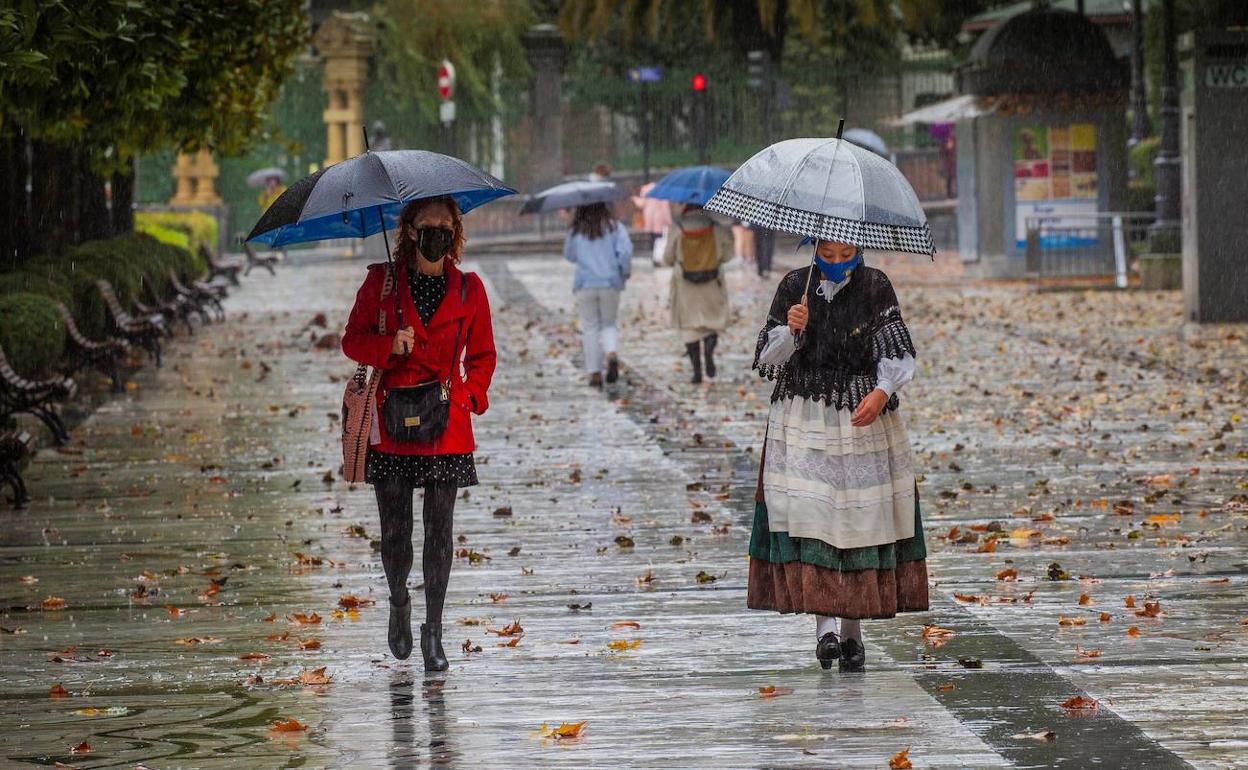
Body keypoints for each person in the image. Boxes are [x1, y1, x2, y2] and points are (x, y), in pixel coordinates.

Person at [748, 239, 927, 672]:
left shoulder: (875, 286)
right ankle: (823, 629)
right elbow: (766, 357)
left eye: (842, 254)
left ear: (857, 249)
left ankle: (852, 633)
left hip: (860, 416)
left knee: (857, 521)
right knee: (811, 516)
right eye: (825, 255)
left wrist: (883, 391)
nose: (833, 262)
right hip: (802, 415)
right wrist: (791, 330)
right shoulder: (796, 285)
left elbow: (896, 351)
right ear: (814, 250)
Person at [341, 196, 497, 671]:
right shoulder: (380, 283)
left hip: (446, 424)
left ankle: (434, 629)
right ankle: (398, 601)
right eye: (427, 226)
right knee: (395, 534)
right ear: (409, 230)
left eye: (445, 226)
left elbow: (484, 355)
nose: (437, 235)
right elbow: (352, 340)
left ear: (455, 232)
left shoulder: (470, 289)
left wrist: (471, 395)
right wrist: (390, 344)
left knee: (440, 532)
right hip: (391, 424)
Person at [661, 204, 733, 384]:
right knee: (711, 321)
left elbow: (667, 258)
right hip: (711, 282)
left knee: (689, 326)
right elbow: (728, 256)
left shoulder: (677, 227)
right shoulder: (716, 227)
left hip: (686, 285)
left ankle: (696, 371)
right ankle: (709, 349)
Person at [563, 202, 633, 387]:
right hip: (610, 282)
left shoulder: (577, 230)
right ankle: (611, 351)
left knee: (590, 327)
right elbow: (625, 253)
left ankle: (594, 372)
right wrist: (624, 273)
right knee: (609, 324)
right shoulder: (615, 227)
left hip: (585, 284)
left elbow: (569, 255)